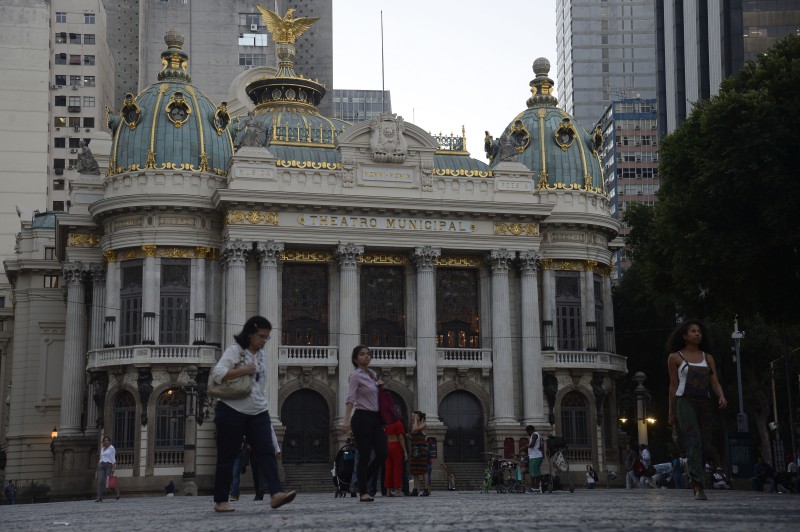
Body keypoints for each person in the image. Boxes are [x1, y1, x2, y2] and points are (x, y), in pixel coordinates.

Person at [210, 316, 296, 513]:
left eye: (267, 337)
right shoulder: (235, 351)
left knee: (267, 452)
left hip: (258, 411)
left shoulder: (263, 355)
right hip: (231, 410)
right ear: (250, 334)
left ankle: (276, 494)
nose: (264, 341)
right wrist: (242, 370)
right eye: (261, 336)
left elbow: (259, 383)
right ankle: (221, 500)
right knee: (228, 456)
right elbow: (217, 373)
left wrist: (263, 403)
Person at [667, 320, 727, 501]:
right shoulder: (675, 357)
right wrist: (670, 412)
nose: (697, 334)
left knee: (705, 444)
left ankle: (699, 477)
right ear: (685, 336)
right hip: (684, 402)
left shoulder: (707, 358)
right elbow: (673, 385)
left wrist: (721, 396)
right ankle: (698, 485)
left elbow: (714, 380)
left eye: (699, 331)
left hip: (704, 402)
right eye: (693, 331)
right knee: (693, 441)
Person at [342, 345, 388, 502]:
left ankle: (363, 477)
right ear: (356, 359)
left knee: (383, 453)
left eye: (368, 354)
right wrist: (346, 420)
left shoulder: (373, 374)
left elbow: (378, 397)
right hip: (361, 418)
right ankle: (363, 492)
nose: (366, 356)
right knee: (365, 455)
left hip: (376, 418)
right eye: (362, 354)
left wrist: (381, 387)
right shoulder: (355, 375)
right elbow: (350, 398)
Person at [383, 417, 407, 497]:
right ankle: (397, 490)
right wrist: (405, 451)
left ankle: (388, 491)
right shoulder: (399, 423)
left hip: (388, 445)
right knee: (397, 468)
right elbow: (400, 437)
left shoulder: (388, 423)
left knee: (388, 468)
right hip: (396, 446)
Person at [408, 411, 429, 496]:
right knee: (415, 470)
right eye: (412, 416)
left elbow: (415, 429)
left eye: (414, 416)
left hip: (421, 450)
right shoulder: (414, 424)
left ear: (419, 417)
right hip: (415, 450)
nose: (412, 417)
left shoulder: (424, 424)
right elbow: (413, 432)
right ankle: (415, 489)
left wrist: (416, 421)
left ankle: (426, 489)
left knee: (424, 470)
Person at [95, 436, 120, 502]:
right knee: (100, 482)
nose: (106, 441)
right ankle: (99, 497)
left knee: (109, 483)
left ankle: (116, 491)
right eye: (105, 440)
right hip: (101, 466)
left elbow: (113, 458)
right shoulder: (102, 449)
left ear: (109, 442)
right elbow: (101, 458)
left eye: (107, 440)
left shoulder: (111, 448)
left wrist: (114, 468)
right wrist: (99, 464)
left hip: (109, 466)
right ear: (103, 442)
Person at [524, 425, 544, 493]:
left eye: (527, 432)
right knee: (536, 473)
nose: (528, 433)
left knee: (533, 473)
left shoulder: (534, 435)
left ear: (530, 430)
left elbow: (532, 445)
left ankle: (534, 488)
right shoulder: (537, 435)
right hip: (537, 456)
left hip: (535, 456)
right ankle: (537, 488)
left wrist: (525, 447)